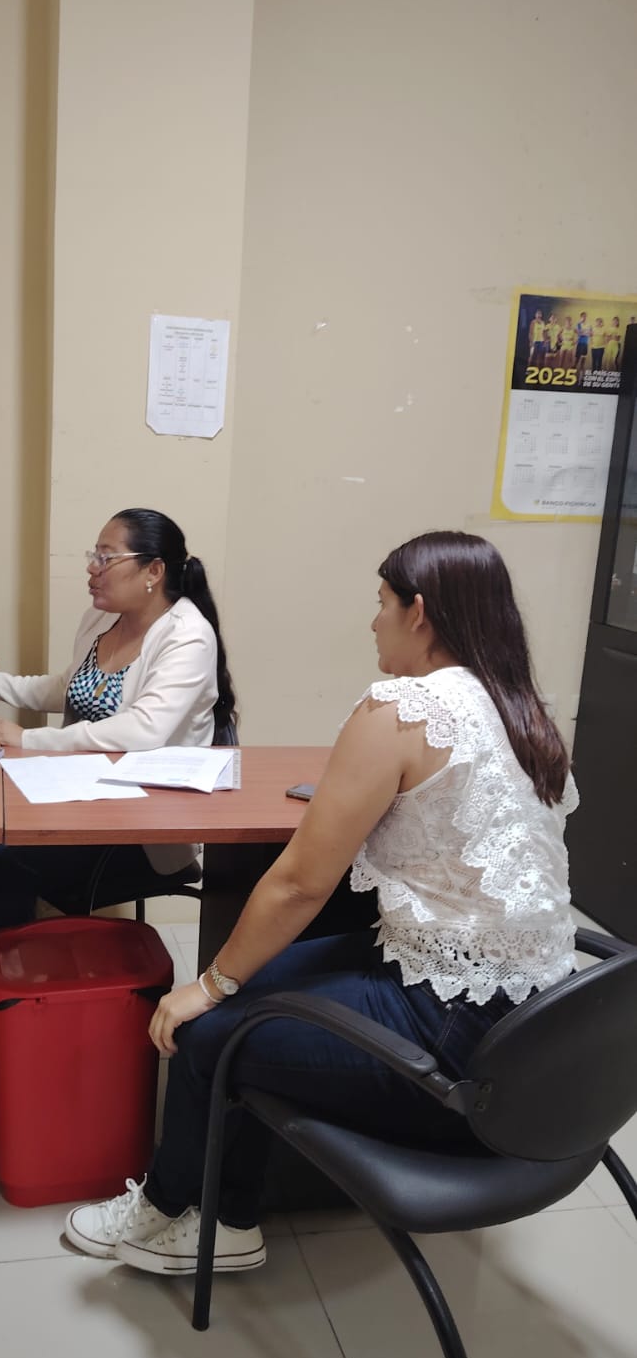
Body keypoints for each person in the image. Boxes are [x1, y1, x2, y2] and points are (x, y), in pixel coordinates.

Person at [65, 531, 578, 1275]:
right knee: (257, 987)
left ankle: (174, 1209)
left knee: (209, 1028)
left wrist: (206, 985)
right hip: (537, 1018)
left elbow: (299, 883)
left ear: (419, 612)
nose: (373, 622)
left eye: (382, 604)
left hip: (449, 1027)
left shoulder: (401, 706)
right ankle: (228, 1211)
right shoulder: (522, 706)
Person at [0, 507, 236, 1087]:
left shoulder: (187, 635)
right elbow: (67, 687)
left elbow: (142, 732)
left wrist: (27, 739)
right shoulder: (103, 618)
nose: (92, 569)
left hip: (141, 829)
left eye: (106, 557)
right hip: (81, 800)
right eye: (92, 556)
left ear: (153, 571)